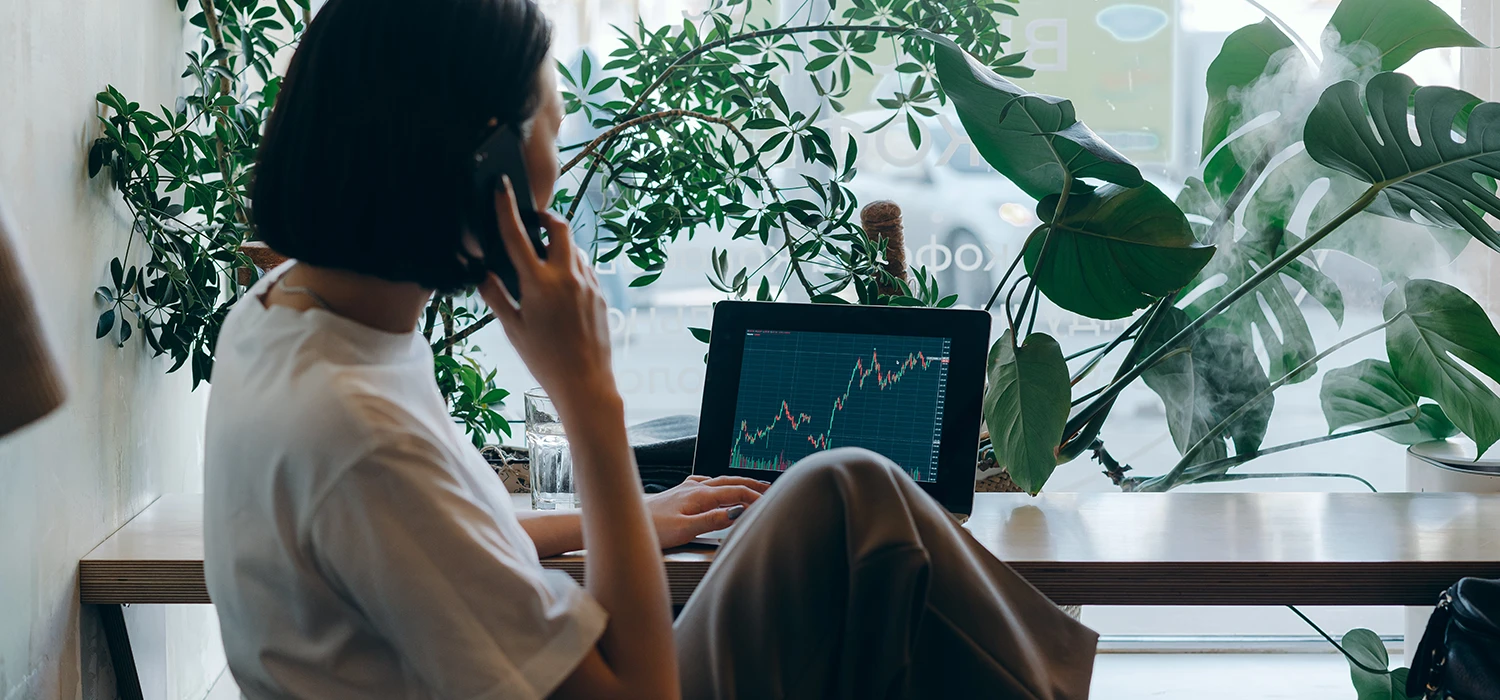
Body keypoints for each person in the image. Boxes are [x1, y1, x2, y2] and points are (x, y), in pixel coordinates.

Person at [202, 0, 1098, 698]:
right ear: (489, 175)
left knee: (844, 489)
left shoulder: (287, 313)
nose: (568, 145)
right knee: (869, 539)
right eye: (553, 121)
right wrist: (589, 400)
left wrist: (635, 511)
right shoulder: (360, 433)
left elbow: (435, 538)